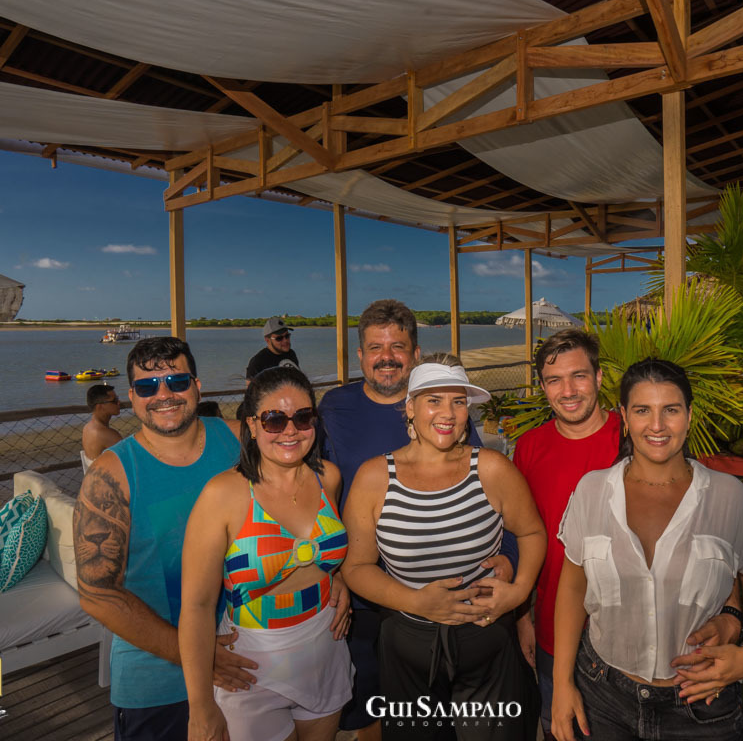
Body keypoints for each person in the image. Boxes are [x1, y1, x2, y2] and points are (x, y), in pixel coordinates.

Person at [513, 331, 743, 740]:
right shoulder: (529, 448)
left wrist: (732, 616)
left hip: (660, 650)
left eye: (579, 376)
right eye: (554, 380)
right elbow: (527, 537)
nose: (568, 390)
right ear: (542, 387)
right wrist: (522, 617)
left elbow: (711, 537)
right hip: (556, 632)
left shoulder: (646, 433)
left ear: (600, 378)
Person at [552, 358, 743, 741]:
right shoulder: (591, 491)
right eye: (643, 410)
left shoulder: (728, 497)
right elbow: (574, 587)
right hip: (602, 696)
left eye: (670, 410)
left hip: (700, 702)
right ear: (624, 417)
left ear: (689, 416)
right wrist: (562, 685)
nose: (657, 425)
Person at [317, 299, 508, 740]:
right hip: (367, 599)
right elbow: (320, 494)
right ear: (360, 356)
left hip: (447, 597)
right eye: (375, 347)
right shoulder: (334, 407)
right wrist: (336, 571)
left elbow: (490, 488)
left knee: (450, 718)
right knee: (373, 716)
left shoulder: (443, 411)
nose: (387, 356)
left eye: (398, 346)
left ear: (416, 354)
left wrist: (508, 557)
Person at [342, 353, 546, 740]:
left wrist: (518, 594)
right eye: (434, 400)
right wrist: (414, 601)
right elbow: (356, 568)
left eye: (458, 401)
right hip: (406, 645)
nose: (448, 413)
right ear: (410, 409)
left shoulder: (492, 468)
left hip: (485, 641)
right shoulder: (373, 477)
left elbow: (533, 533)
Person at [73, 336, 254, 741]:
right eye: (147, 386)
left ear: (197, 385)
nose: (164, 395)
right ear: (132, 398)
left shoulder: (239, 440)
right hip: (159, 682)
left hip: (249, 661)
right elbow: (97, 594)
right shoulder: (112, 475)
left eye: (177, 381)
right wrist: (200, 658)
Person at [180, 367, 353, 741]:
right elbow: (195, 605)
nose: (291, 430)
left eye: (303, 417)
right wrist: (200, 708)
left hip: (326, 650)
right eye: (274, 419)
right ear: (252, 426)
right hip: (251, 667)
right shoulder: (223, 495)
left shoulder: (330, 478)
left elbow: (324, 552)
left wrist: (337, 578)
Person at [83, 383, 123, 461]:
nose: (119, 402)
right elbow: (130, 461)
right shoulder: (108, 434)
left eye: (117, 398)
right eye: (114, 401)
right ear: (100, 406)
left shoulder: (87, 427)